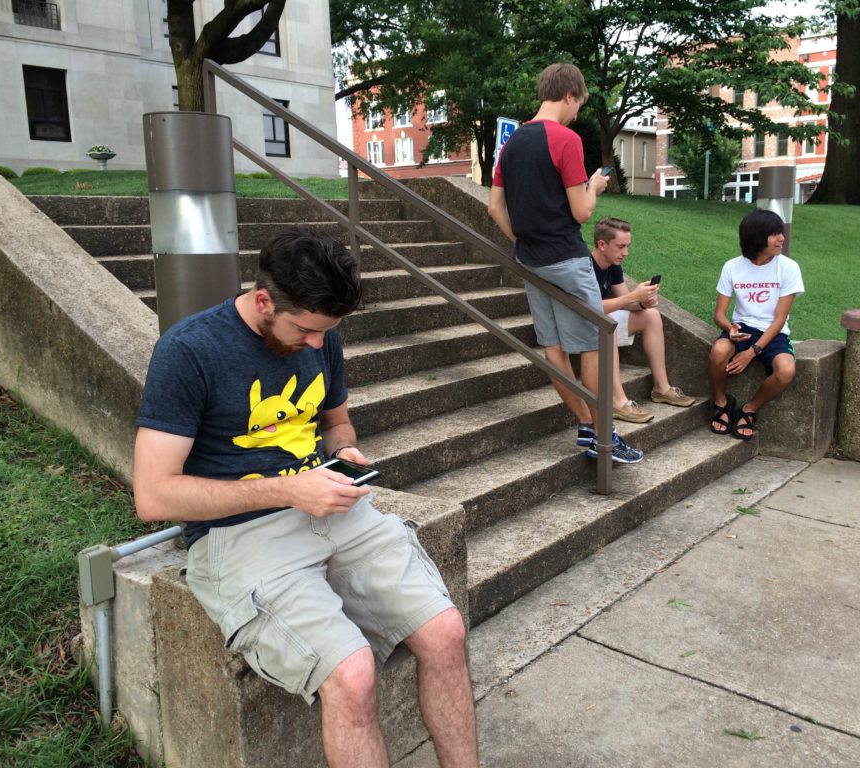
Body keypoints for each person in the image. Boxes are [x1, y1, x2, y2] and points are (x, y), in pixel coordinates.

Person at [132, 227, 478, 768]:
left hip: (331, 507)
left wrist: (345, 453)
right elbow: (153, 495)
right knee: (353, 675)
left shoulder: (320, 334)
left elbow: (336, 423)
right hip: (240, 535)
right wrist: (286, 489)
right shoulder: (189, 351)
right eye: (306, 330)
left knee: (446, 632)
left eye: (327, 332)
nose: (318, 344)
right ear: (264, 302)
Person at [487, 62, 643, 464]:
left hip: (531, 261)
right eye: (578, 105)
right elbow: (582, 212)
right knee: (594, 344)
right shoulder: (565, 139)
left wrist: (522, 242)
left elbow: (494, 207)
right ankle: (604, 436)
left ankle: (588, 426)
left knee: (554, 348)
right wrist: (594, 186)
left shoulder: (512, 143)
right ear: (569, 95)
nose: (576, 114)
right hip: (568, 260)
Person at [708, 209, 804, 441]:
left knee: (786, 371)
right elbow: (719, 315)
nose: (782, 238)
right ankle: (721, 403)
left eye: (781, 232)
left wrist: (752, 352)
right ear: (757, 238)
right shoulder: (732, 267)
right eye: (774, 234)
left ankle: (749, 409)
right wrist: (729, 328)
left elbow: (779, 319)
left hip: (773, 333)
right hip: (742, 328)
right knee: (718, 352)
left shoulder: (789, 267)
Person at [589, 217, 695, 423]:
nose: (626, 253)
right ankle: (617, 402)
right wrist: (632, 297)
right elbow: (590, 307)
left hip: (599, 320)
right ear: (602, 244)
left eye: (627, 246)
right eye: (621, 246)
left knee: (651, 315)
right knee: (606, 322)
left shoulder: (613, 265)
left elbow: (626, 301)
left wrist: (643, 302)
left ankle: (661, 388)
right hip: (579, 325)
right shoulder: (585, 266)